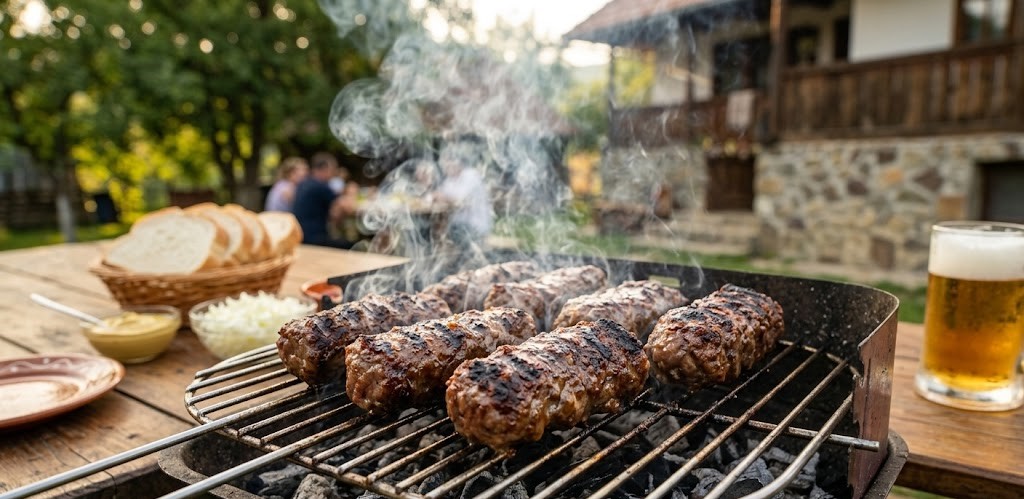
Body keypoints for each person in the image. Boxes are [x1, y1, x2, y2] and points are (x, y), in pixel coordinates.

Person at [291, 152, 354, 249]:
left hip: (300, 236)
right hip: (313, 239)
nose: (333, 174)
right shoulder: (320, 186)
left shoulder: (304, 183)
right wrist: (351, 193)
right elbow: (346, 207)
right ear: (325, 169)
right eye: (333, 170)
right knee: (351, 245)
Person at [435, 144, 493, 250]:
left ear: (458, 162)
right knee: (435, 231)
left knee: (438, 235)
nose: (445, 167)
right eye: (443, 164)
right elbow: (438, 195)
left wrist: (442, 197)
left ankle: (455, 262)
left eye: (448, 162)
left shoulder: (471, 176)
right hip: (458, 225)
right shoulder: (450, 180)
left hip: (474, 225)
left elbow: (462, 202)